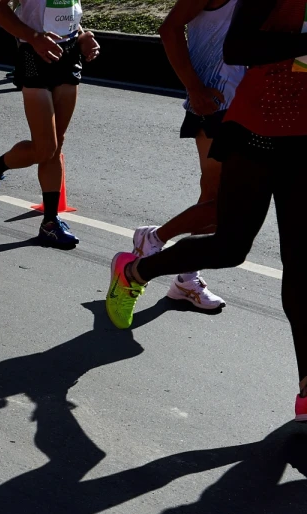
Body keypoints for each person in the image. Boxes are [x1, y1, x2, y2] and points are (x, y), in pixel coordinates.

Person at [104, 0, 307, 422]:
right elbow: (239, 47)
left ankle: (306, 389)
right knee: (230, 245)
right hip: (259, 129)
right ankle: (135, 271)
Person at [128, 0, 242, 311]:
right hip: (216, 101)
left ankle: (185, 277)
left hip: (248, 104)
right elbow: (169, 28)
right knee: (224, 202)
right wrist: (194, 87)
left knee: (215, 199)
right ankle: (155, 239)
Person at [0, 0, 100, 249]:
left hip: (69, 54)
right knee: (45, 148)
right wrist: (34, 37)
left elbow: (66, 13)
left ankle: (50, 223)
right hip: (34, 55)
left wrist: (83, 35)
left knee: (57, 143)